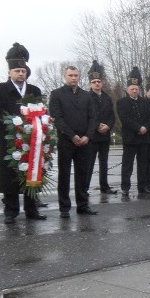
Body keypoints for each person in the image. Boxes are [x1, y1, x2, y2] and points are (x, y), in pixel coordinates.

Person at [0, 43, 46, 224]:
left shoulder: (34, 90)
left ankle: (32, 208)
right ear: (9, 72)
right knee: (11, 175)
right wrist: (17, 122)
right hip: (10, 139)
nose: (20, 74)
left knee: (32, 171)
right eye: (17, 71)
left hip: (31, 139)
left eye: (23, 70)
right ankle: (11, 210)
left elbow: (40, 112)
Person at [49, 66, 98, 217]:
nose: (74, 78)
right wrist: (72, 136)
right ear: (65, 76)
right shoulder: (57, 94)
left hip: (84, 141)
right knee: (64, 175)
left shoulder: (86, 96)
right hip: (66, 141)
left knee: (82, 174)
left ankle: (82, 205)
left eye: (76, 75)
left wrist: (88, 136)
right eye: (70, 75)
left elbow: (93, 117)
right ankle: (64, 207)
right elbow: (57, 118)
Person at [117, 67, 150, 197]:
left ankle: (142, 186)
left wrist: (145, 128)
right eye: (132, 89)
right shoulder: (122, 102)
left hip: (144, 138)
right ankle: (125, 187)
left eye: (136, 89)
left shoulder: (144, 102)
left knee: (143, 165)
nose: (134, 91)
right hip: (130, 138)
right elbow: (125, 118)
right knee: (127, 165)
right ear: (127, 90)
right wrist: (138, 128)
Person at [85, 60, 117, 194]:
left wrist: (108, 126)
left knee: (104, 163)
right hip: (92, 135)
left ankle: (104, 186)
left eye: (99, 81)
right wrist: (97, 125)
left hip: (105, 135)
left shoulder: (107, 98)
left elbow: (112, 115)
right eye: (94, 82)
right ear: (90, 83)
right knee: (89, 163)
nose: (97, 84)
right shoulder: (86, 97)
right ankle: (84, 188)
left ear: (102, 83)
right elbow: (85, 116)